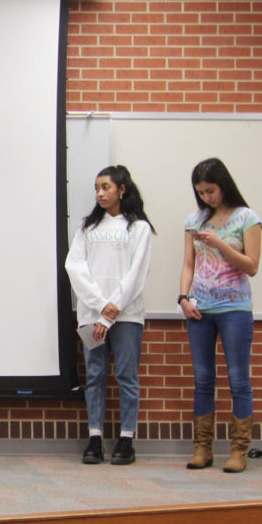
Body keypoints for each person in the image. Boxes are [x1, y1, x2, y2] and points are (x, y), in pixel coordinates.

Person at [65, 165, 154, 466]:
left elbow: (136, 274)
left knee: (127, 375)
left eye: (106, 187)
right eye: (97, 188)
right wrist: (101, 308)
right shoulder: (87, 228)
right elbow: (75, 268)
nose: (100, 193)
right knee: (95, 375)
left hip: (127, 317)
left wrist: (112, 311)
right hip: (92, 317)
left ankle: (126, 439)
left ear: (122, 190)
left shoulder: (139, 228)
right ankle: (94, 438)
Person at [179, 157, 261, 473]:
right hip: (200, 309)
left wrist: (220, 244)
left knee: (238, 379)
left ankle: (239, 451)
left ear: (223, 185)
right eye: (200, 192)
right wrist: (183, 298)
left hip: (234, 309)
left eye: (210, 191)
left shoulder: (247, 218)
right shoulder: (194, 220)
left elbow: (251, 265)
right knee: (203, 379)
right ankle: (202, 449)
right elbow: (188, 264)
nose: (206, 198)